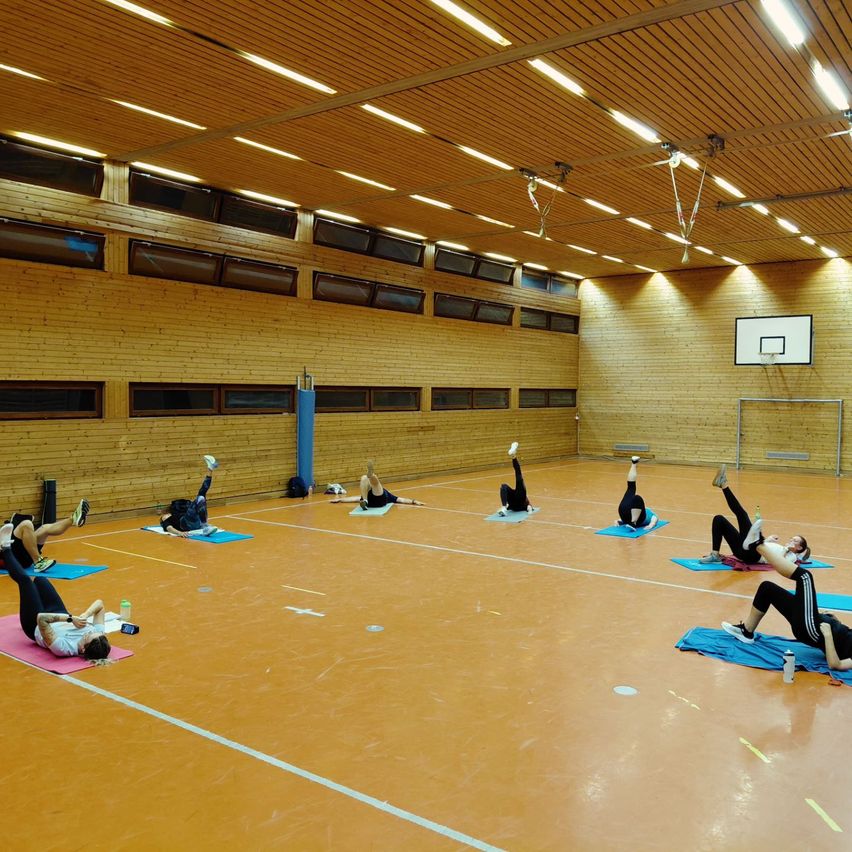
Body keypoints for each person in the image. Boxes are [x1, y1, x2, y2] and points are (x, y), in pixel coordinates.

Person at [721, 522, 852, 672]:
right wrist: (836, 622)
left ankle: (758, 544)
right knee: (767, 588)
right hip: (816, 623)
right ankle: (746, 632)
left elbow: (836, 665)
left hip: (813, 630)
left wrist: (828, 635)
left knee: (805, 577)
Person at [1, 523, 110, 660]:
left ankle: (4, 548)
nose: (87, 632)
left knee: (26, 582)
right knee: (41, 580)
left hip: (35, 624)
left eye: (87, 637)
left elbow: (42, 619)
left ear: (82, 649)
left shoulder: (64, 648)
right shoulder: (98, 636)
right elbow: (100, 604)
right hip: (59, 613)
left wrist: (70, 618)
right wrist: (85, 614)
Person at [700, 464, 809, 564]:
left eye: (794, 540)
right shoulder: (780, 547)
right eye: (792, 538)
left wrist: (786, 549)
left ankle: (723, 484)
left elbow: (779, 562)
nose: (790, 540)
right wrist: (767, 540)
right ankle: (715, 554)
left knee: (742, 515)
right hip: (743, 551)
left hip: (753, 556)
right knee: (719, 519)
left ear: (799, 548)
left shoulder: (792, 556)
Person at [5, 498, 90, 573]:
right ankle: (38, 562)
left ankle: (73, 519)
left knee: (44, 528)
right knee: (26, 524)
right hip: (12, 558)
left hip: (21, 555)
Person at [160, 455, 220, 537]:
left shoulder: (175, 514)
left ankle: (210, 469)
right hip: (186, 524)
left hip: (195, 521)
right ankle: (205, 526)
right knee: (201, 497)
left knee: (201, 495)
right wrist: (179, 533)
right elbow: (169, 528)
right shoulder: (164, 519)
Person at [330, 460, 424, 508]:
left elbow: (355, 498)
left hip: (373, 500)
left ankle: (371, 475)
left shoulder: (365, 494)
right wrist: (413, 501)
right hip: (378, 500)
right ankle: (372, 475)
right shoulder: (385, 494)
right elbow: (401, 500)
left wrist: (341, 500)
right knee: (369, 481)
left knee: (366, 479)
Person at [615, 456, 657, 530]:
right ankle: (633, 523)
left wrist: (651, 526)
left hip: (624, 514)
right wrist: (620, 521)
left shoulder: (648, 512)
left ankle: (634, 463)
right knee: (634, 494)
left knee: (632, 490)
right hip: (626, 516)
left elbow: (655, 519)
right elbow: (654, 519)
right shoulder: (648, 513)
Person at [497, 442, 536, 516]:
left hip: (518, 500)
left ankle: (503, 508)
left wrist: (529, 509)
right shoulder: (525, 503)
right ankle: (513, 456)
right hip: (518, 501)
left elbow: (529, 507)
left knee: (515, 478)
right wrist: (530, 511)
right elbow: (529, 507)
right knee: (518, 475)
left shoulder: (524, 502)